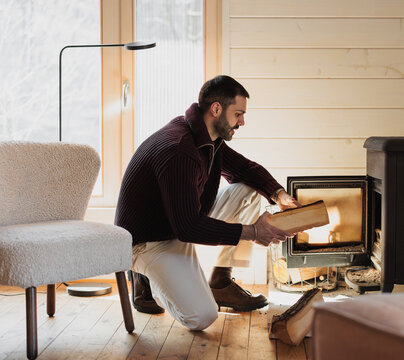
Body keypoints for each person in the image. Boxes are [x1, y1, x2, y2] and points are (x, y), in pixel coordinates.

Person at [115, 75, 300, 330]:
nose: (242, 122)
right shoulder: (180, 150)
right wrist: (254, 232)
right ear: (216, 109)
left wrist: (280, 195)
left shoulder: (207, 137)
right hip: (149, 241)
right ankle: (147, 277)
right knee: (203, 317)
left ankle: (220, 281)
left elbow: (246, 169)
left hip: (178, 219)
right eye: (238, 114)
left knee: (249, 188)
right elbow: (188, 228)